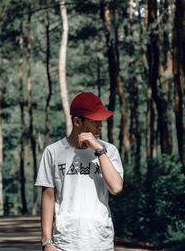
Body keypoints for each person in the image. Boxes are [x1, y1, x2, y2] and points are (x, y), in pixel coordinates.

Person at [35, 92, 124, 251]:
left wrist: (98, 150)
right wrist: (46, 241)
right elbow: (48, 197)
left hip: (100, 240)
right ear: (77, 121)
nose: (100, 126)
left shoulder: (109, 150)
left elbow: (116, 187)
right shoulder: (53, 152)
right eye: (94, 121)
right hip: (66, 241)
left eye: (101, 121)